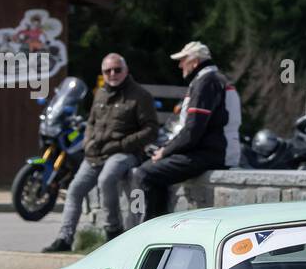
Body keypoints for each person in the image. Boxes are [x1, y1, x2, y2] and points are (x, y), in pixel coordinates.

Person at [42, 55, 156, 252]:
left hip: (124, 152)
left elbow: (151, 130)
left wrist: (123, 143)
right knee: (75, 189)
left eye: (117, 70)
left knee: (106, 179)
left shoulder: (140, 95)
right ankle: (65, 238)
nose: (112, 74)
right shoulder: (100, 93)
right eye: (107, 71)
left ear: (126, 71)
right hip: (95, 153)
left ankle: (113, 230)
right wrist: (88, 141)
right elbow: (91, 122)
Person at [132, 40, 241, 223]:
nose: (180, 65)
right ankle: (158, 229)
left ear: (195, 62)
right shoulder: (215, 79)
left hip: (212, 154)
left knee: (144, 173)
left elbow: (192, 131)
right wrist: (166, 150)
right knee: (154, 172)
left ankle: (140, 234)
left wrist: (164, 152)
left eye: (183, 60)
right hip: (214, 151)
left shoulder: (206, 82)